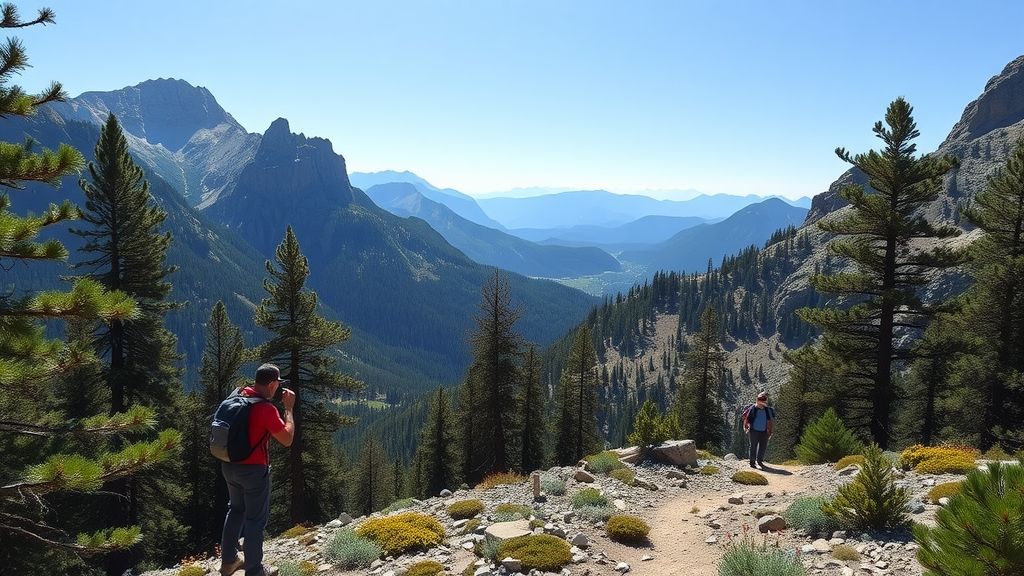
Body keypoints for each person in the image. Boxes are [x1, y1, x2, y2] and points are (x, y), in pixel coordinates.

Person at [219, 363, 295, 576]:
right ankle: (255, 570)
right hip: (253, 470)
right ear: (272, 384)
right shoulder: (265, 409)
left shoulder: (237, 397)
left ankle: (229, 562)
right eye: (278, 383)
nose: (278, 387)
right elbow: (287, 438)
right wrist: (288, 409)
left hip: (228, 465)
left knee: (235, 510)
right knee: (255, 520)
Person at [744, 391, 774, 469]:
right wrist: (746, 427)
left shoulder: (768, 410)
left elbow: (770, 421)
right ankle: (752, 462)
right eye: (762, 399)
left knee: (762, 446)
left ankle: (759, 460)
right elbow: (747, 419)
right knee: (753, 446)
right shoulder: (753, 409)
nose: (764, 401)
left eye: (765, 399)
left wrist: (770, 431)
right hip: (753, 430)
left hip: (764, 431)